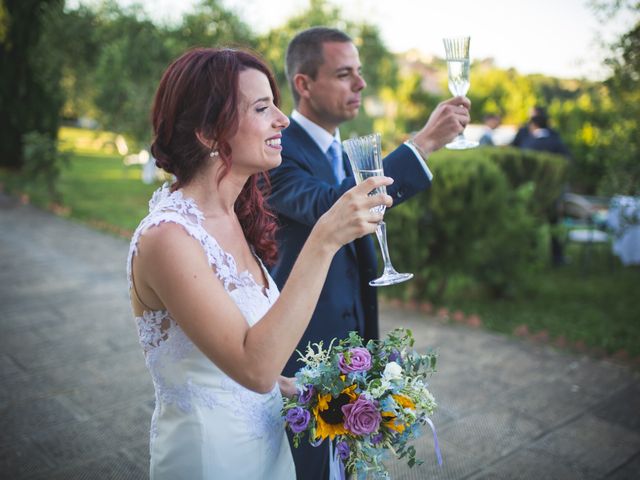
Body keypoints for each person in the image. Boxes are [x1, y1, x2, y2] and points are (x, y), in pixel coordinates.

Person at [126, 47, 393, 480]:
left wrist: (296, 390)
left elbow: (241, 354)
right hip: (212, 460)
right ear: (210, 133)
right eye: (262, 107)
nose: (283, 119)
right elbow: (253, 366)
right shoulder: (167, 239)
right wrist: (323, 239)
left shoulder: (233, 218)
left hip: (267, 454)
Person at [266, 27, 470, 479]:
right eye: (344, 74)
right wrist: (422, 144)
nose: (360, 84)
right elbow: (331, 207)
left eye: (359, 72)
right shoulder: (279, 152)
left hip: (353, 341)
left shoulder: (341, 147)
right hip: (303, 345)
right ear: (304, 84)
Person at [512, 105, 571, 266]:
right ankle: (557, 258)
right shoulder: (557, 142)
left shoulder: (528, 145)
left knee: (531, 224)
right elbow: (567, 162)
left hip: (533, 192)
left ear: (533, 125)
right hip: (552, 192)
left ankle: (530, 256)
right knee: (554, 224)